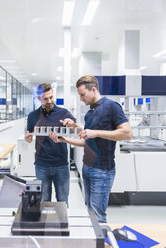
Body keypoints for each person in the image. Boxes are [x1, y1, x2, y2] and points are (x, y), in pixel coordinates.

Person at [49, 75, 132, 222]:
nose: (81, 99)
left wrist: (96, 132)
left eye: (82, 94)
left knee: (97, 216)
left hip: (102, 170)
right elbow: (85, 141)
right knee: (90, 213)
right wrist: (64, 138)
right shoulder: (90, 113)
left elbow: (127, 133)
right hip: (87, 168)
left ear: (93, 89)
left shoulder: (111, 106)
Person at [25, 83, 76, 205]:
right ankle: (45, 224)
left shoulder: (64, 113)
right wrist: (28, 138)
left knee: (63, 202)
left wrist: (72, 124)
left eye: (51, 97)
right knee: (43, 202)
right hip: (41, 165)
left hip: (61, 164)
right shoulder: (32, 116)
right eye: (45, 98)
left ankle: (62, 224)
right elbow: (29, 137)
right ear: (39, 98)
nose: (49, 101)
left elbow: (75, 130)